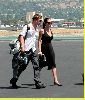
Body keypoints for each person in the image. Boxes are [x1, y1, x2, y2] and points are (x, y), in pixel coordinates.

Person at [10, 14, 46, 89]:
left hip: (33, 50)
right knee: (23, 66)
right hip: (25, 50)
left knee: (37, 65)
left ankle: (37, 82)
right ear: (35, 20)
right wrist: (22, 47)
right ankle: (14, 79)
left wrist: (41, 34)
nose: (40, 22)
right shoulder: (27, 27)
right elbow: (21, 36)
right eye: (40, 20)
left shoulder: (37, 28)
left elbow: (39, 39)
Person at [38, 17, 62, 86]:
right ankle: (37, 78)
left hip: (50, 48)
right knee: (41, 64)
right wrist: (40, 51)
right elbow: (39, 41)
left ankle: (55, 80)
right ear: (45, 23)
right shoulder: (42, 31)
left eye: (51, 23)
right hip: (44, 48)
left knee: (53, 64)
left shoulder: (51, 30)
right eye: (49, 23)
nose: (50, 24)